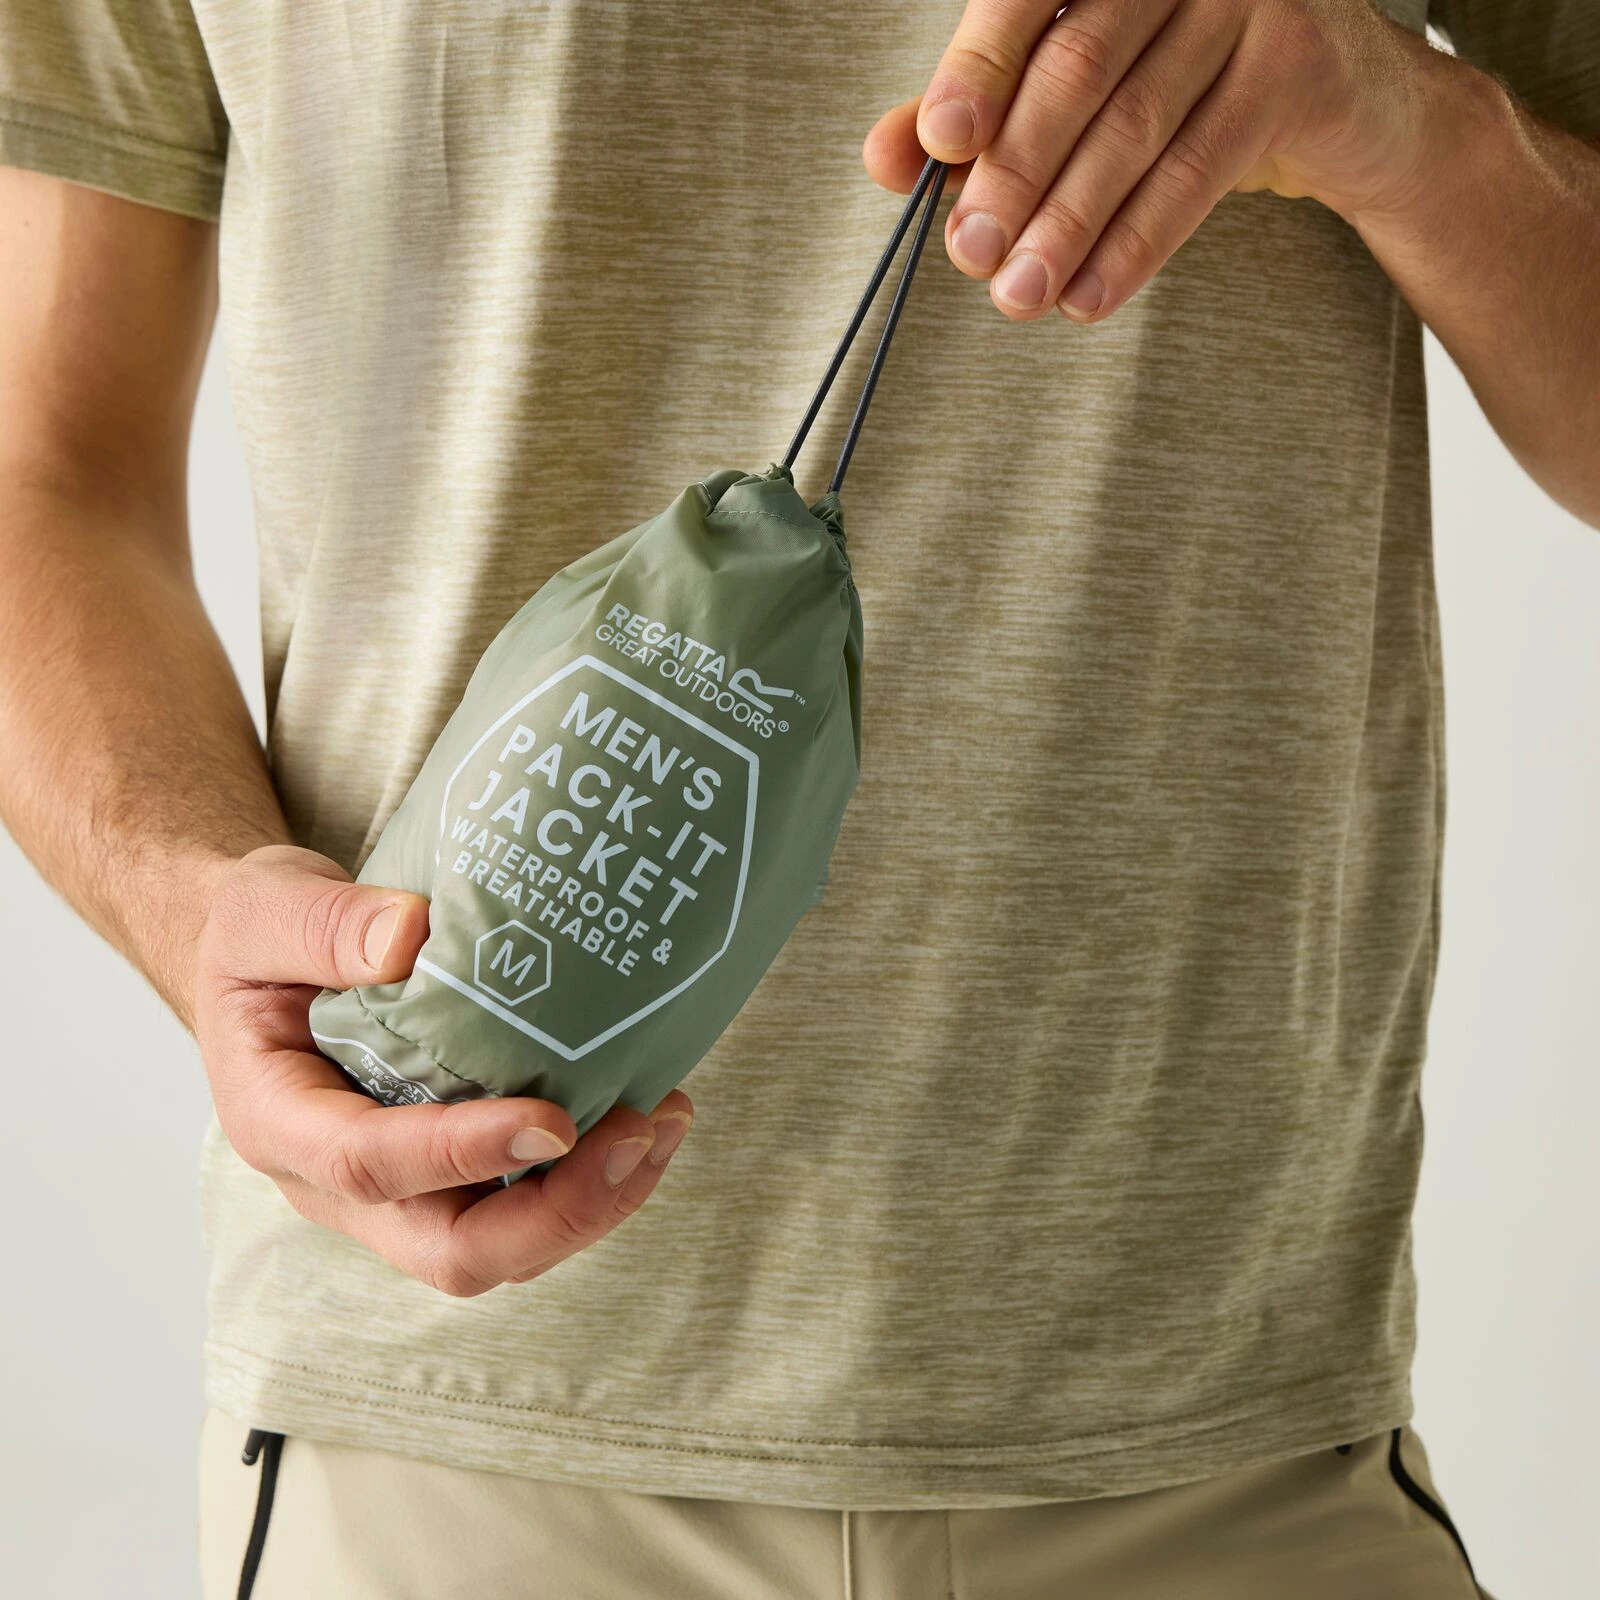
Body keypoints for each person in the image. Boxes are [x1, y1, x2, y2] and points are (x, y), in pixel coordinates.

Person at [1, 0, 1594, 1594]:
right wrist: (194, 903)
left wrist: (1397, 118)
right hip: (447, 1449)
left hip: (1230, 1447)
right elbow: (42, 474)